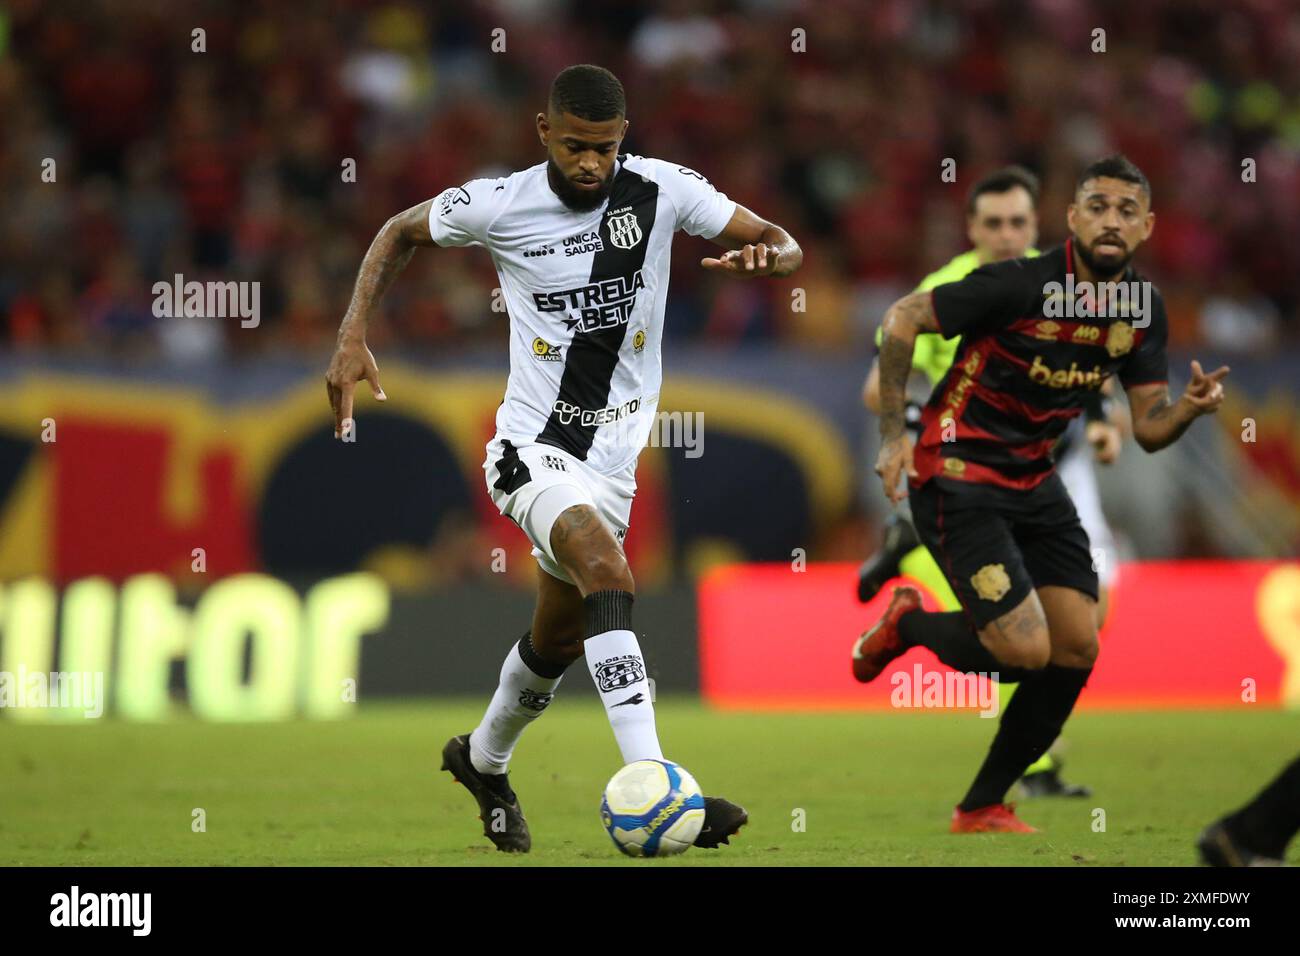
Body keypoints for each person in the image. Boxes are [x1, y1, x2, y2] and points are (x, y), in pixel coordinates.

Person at [324, 64, 802, 852]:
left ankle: (481, 761)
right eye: (575, 146)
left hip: (613, 466)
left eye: (605, 149)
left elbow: (779, 242)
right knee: (610, 575)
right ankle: (657, 784)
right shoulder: (500, 203)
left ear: (625, 139)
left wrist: (771, 261)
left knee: (557, 642)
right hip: (531, 452)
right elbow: (397, 231)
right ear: (544, 132)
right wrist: (351, 336)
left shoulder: (664, 190)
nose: (590, 164)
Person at [856, 154, 1228, 833]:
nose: (1110, 221)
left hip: (1034, 478)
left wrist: (1188, 411)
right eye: (1097, 207)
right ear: (1071, 219)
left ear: (1146, 227)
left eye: (1126, 211)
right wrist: (890, 438)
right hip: (958, 472)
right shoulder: (1017, 283)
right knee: (1023, 653)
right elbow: (904, 316)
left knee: (1078, 647)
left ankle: (981, 807)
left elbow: (1147, 427)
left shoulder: (1140, 309)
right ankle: (906, 623)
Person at [857, 166, 1123, 798]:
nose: (1007, 235)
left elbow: (1097, 360)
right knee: (1026, 633)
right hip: (979, 475)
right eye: (993, 223)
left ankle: (906, 550)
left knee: (1090, 616)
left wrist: (1106, 419)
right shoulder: (949, 289)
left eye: (1018, 223)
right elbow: (878, 387)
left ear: (1037, 226)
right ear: (971, 228)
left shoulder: (1062, 282)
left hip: (1060, 465)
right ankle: (1034, 767)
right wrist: (922, 431)